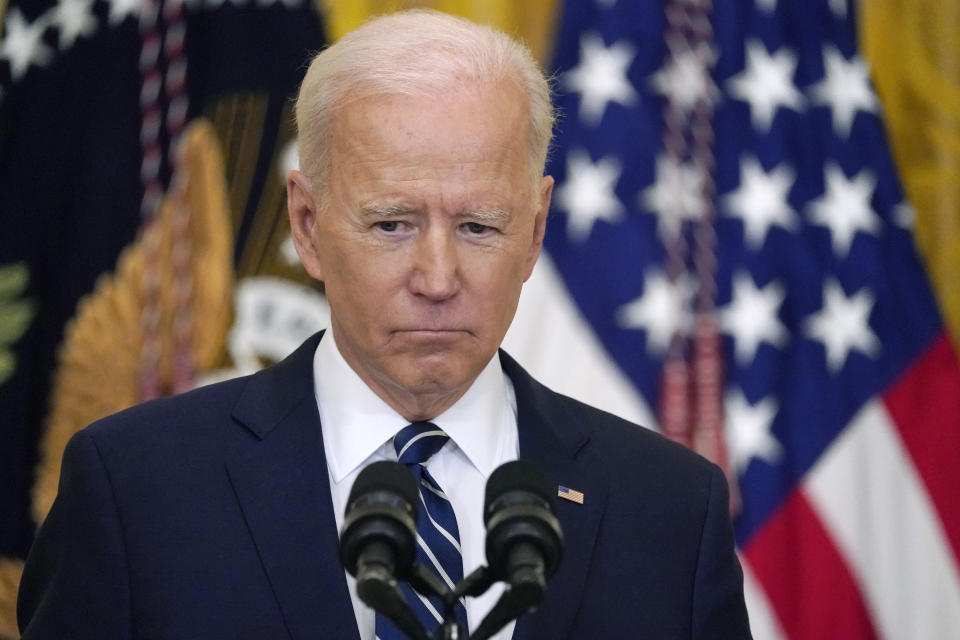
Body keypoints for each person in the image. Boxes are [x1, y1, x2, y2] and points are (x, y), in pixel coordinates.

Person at [17, 10, 751, 640]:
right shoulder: (136, 493)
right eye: (392, 224)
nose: (436, 279)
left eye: (479, 226)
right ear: (306, 225)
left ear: (534, 230)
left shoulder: (669, 514)